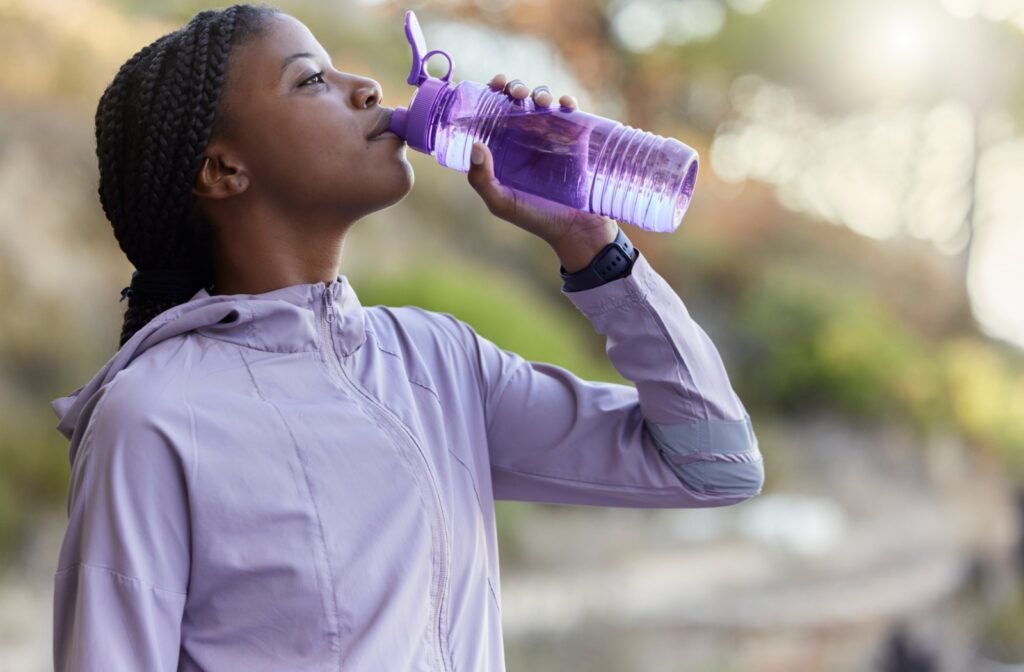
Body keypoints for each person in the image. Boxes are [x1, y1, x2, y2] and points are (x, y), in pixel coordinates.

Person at [48, 3, 764, 671]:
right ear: (223, 170)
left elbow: (713, 465)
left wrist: (592, 244)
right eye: (311, 81)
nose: (365, 88)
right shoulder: (152, 418)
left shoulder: (439, 362)